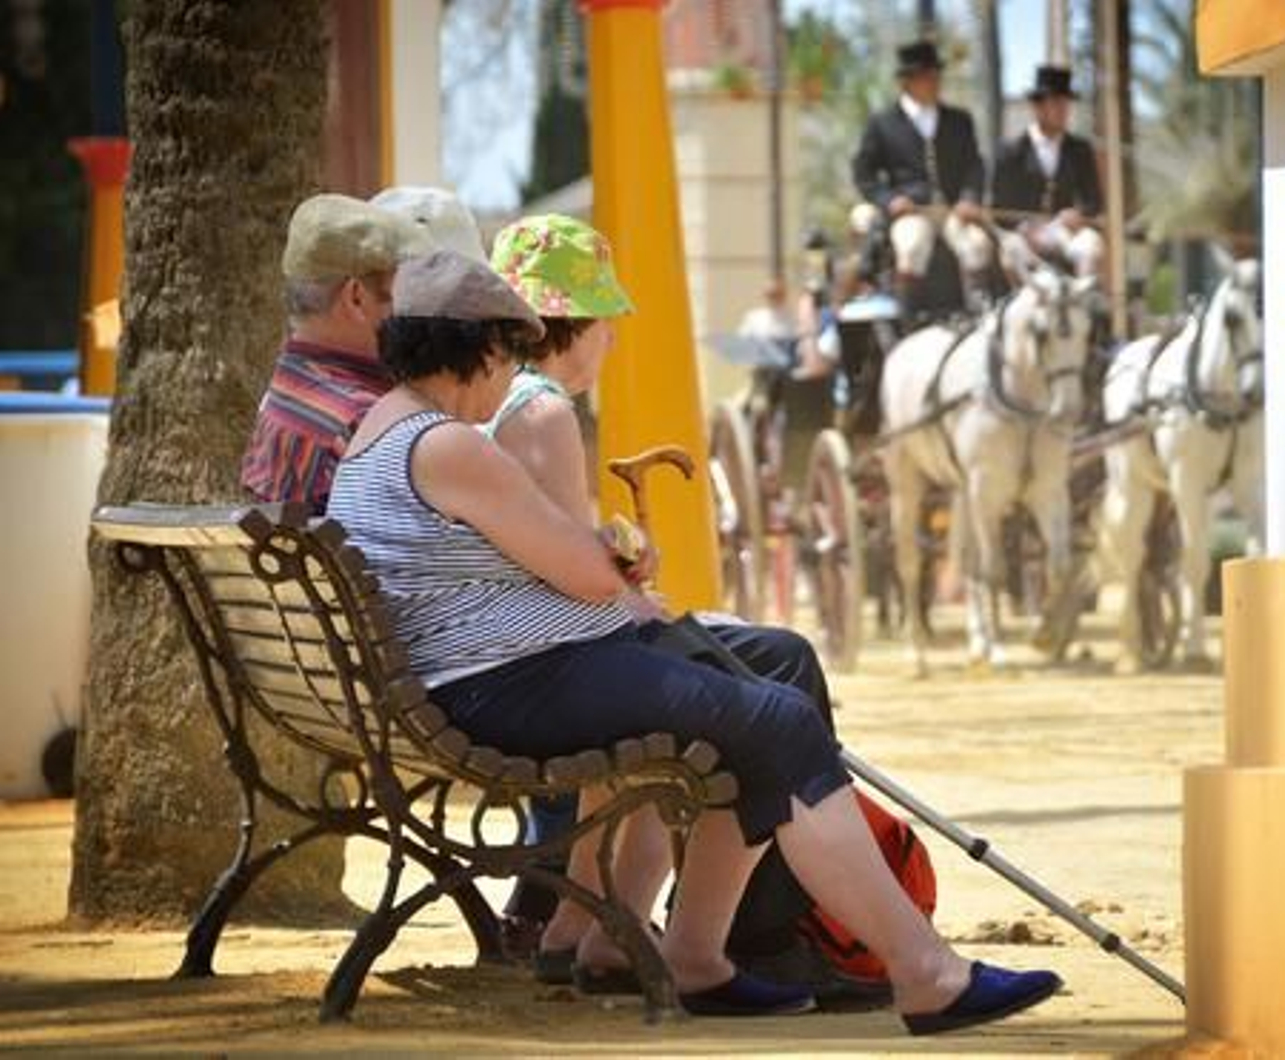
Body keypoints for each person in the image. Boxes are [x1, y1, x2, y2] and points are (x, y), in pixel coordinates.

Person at [325, 247, 1063, 1032]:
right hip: (507, 687)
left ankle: (702, 956)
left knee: (760, 708)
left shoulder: (385, 428)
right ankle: (926, 975)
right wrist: (625, 552)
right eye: (511, 353)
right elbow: (589, 574)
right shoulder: (449, 446)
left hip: (482, 679)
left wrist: (603, 561)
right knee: (777, 718)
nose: (513, 373)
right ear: (477, 349)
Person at [486, 215, 878, 1007]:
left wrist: (618, 569)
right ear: (576, 324)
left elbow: (550, 553)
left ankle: (599, 928)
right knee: (781, 664)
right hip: (544, 670)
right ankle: (758, 936)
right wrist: (636, 592)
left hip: (501, 661)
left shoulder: (498, 402)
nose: (614, 343)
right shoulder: (545, 412)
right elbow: (579, 590)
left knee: (733, 649)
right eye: (608, 324)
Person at [239, 193, 431, 511]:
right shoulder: (366, 417)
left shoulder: (284, 390)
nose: (418, 313)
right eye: (406, 295)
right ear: (356, 298)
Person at [850, 40, 986, 319]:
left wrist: (969, 199)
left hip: (951, 209)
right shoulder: (882, 123)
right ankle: (907, 320)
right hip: (911, 211)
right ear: (907, 82)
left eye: (936, 75)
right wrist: (889, 200)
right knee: (912, 244)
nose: (934, 82)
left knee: (976, 244)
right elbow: (863, 173)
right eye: (927, 76)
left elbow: (975, 166)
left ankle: (979, 316)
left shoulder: (960, 120)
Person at [988, 65, 1104, 277]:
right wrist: (1026, 229)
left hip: (1065, 231)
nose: (1063, 110)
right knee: (1011, 252)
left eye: (1066, 103)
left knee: (1091, 244)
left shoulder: (1079, 150)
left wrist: (1078, 215)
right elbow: (999, 207)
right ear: (1038, 107)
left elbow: (1093, 201)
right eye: (1056, 103)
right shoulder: (1011, 151)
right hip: (1021, 233)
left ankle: (1083, 297)